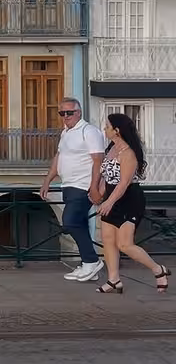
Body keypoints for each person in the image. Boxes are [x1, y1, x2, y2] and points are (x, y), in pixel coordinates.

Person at [95, 112, 168, 294]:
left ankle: (158, 270)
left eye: (107, 127)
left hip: (129, 199)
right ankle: (114, 280)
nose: (105, 129)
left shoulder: (129, 153)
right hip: (112, 197)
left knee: (125, 244)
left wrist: (109, 202)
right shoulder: (111, 148)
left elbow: (124, 183)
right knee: (108, 240)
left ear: (117, 130)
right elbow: (107, 176)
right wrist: (100, 194)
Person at [40, 97, 105, 282]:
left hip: (82, 186)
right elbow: (59, 157)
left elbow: (98, 160)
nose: (66, 116)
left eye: (70, 112)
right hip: (68, 185)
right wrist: (47, 181)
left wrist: (94, 187)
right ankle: (88, 266)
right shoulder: (66, 133)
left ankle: (92, 261)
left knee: (69, 223)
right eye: (62, 113)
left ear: (79, 112)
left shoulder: (89, 131)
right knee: (80, 224)